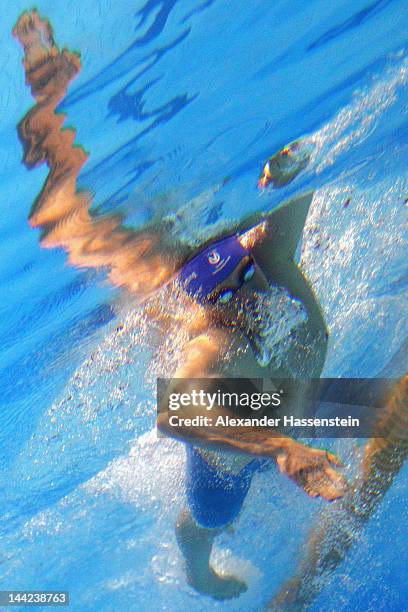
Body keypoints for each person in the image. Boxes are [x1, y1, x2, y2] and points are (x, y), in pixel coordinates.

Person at [14, 10, 347, 601]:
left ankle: (46, 83)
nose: (249, 275)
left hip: (262, 420)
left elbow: (293, 183)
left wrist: (289, 166)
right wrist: (282, 449)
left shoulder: (266, 279)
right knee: (213, 515)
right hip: (251, 433)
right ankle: (41, 77)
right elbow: (175, 416)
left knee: (75, 220)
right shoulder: (224, 339)